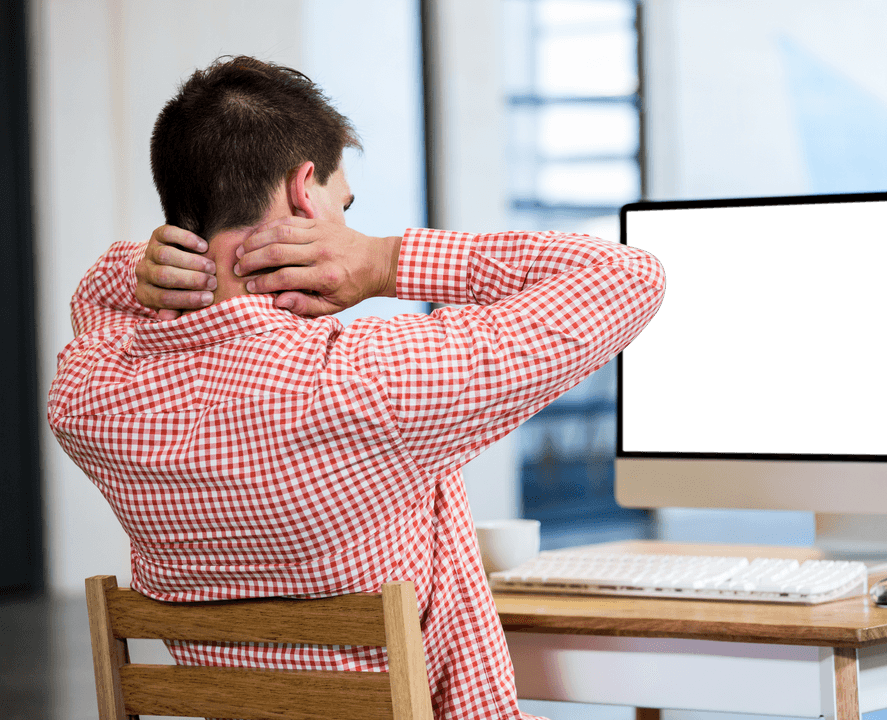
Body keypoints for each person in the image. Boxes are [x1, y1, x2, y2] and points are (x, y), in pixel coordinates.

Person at [48, 56, 665, 720]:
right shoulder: (367, 382)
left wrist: (148, 269)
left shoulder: (94, 400)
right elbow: (628, 276)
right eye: (345, 206)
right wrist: (382, 260)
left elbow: (96, 298)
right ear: (303, 192)